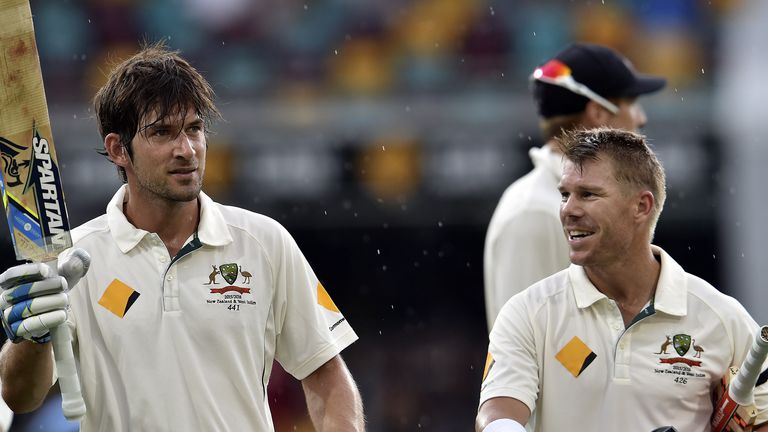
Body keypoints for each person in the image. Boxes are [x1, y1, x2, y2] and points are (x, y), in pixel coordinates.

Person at [0, 43, 365, 432]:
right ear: (118, 149)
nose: (186, 150)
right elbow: (21, 397)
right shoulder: (71, 259)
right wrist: (30, 340)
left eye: (194, 129)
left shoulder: (263, 242)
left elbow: (327, 379)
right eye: (162, 133)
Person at [476, 128, 768, 431]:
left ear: (641, 206)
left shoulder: (722, 318)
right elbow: (496, 415)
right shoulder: (528, 313)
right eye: (565, 195)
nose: (568, 210)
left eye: (588, 194)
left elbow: (762, 418)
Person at [483, 42, 667, 331]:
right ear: (599, 114)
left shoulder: (547, 204)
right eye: (631, 103)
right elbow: (531, 349)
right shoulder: (532, 212)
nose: (640, 117)